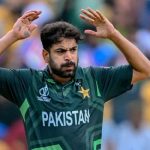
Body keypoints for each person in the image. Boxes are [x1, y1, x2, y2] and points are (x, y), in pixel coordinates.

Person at [0, 8, 150, 150]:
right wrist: (12, 36)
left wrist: (114, 35)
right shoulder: (27, 83)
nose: (68, 57)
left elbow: (145, 69)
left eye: (73, 50)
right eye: (60, 51)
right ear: (46, 56)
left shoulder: (95, 79)